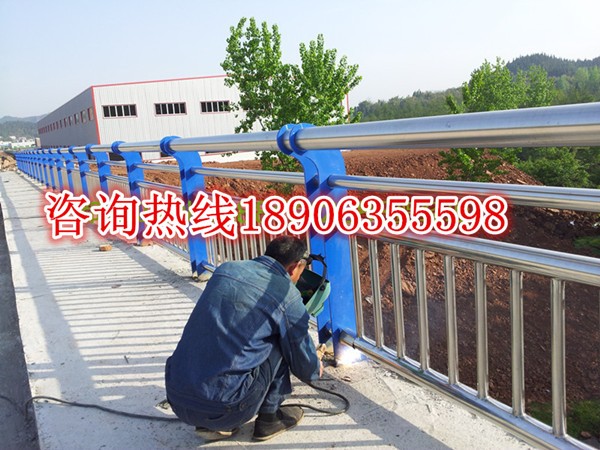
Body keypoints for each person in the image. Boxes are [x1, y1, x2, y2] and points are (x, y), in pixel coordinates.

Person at [165, 235, 322, 442]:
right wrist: (315, 366)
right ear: (294, 268)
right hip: (227, 409)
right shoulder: (287, 295)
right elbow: (305, 367)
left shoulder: (226, 269)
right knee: (281, 337)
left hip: (177, 399)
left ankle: (209, 422)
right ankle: (269, 419)